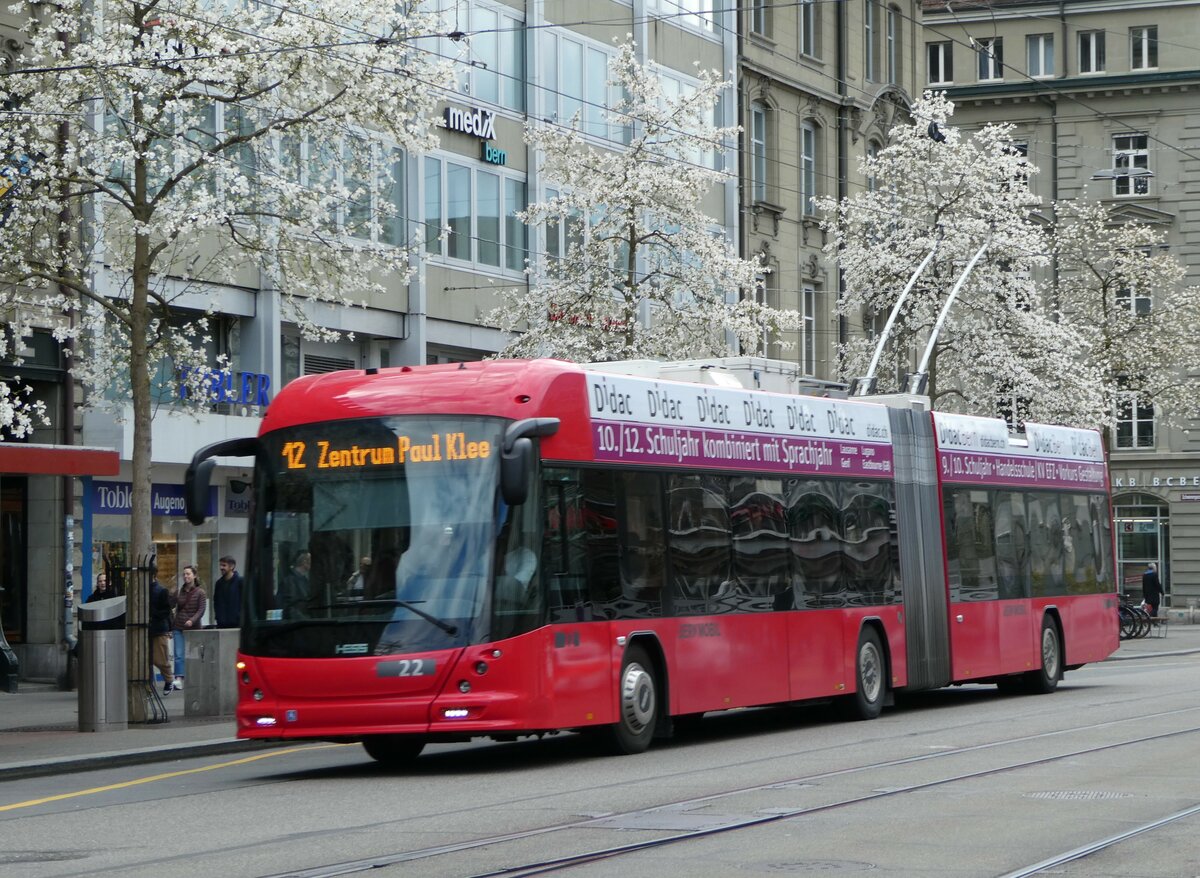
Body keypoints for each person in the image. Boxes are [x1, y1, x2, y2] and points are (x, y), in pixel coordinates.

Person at [170, 565, 208, 688]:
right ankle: (179, 678)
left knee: (193, 654)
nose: (186, 576)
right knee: (178, 654)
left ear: (194, 576)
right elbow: (171, 605)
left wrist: (192, 620)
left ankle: (193, 677)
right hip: (179, 626)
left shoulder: (200, 592)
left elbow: (201, 609)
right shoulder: (180, 591)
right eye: (184, 574)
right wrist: (172, 592)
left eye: (188, 574)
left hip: (194, 627)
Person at [150, 577, 177, 695]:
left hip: (159, 628)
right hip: (147, 629)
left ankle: (169, 679)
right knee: (146, 660)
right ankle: (149, 684)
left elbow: (166, 611)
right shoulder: (141, 589)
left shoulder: (161, 591)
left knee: (160, 659)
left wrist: (152, 613)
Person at [277, 550, 311, 616]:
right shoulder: (289, 582)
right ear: (304, 562)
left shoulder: (304, 580)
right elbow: (289, 608)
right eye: (310, 560)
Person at [213, 555, 243, 628]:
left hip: (237, 623)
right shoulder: (218, 583)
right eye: (220, 565)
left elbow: (244, 602)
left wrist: (240, 616)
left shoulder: (240, 581)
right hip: (221, 623)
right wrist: (218, 617)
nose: (221, 568)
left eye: (224, 565)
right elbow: (216, 601)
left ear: (231, 566)